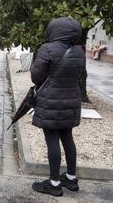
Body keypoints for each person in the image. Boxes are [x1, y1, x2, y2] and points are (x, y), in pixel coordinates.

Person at [30, 17, 86, 197]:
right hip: (71, 101)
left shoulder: (47, 49)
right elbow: (80, 76)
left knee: (52, 139)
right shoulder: (79, 52)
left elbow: (36, 77)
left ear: (54, 31)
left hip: (50, 101)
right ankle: (70, 178)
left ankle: (54, 183)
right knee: (68, 138)